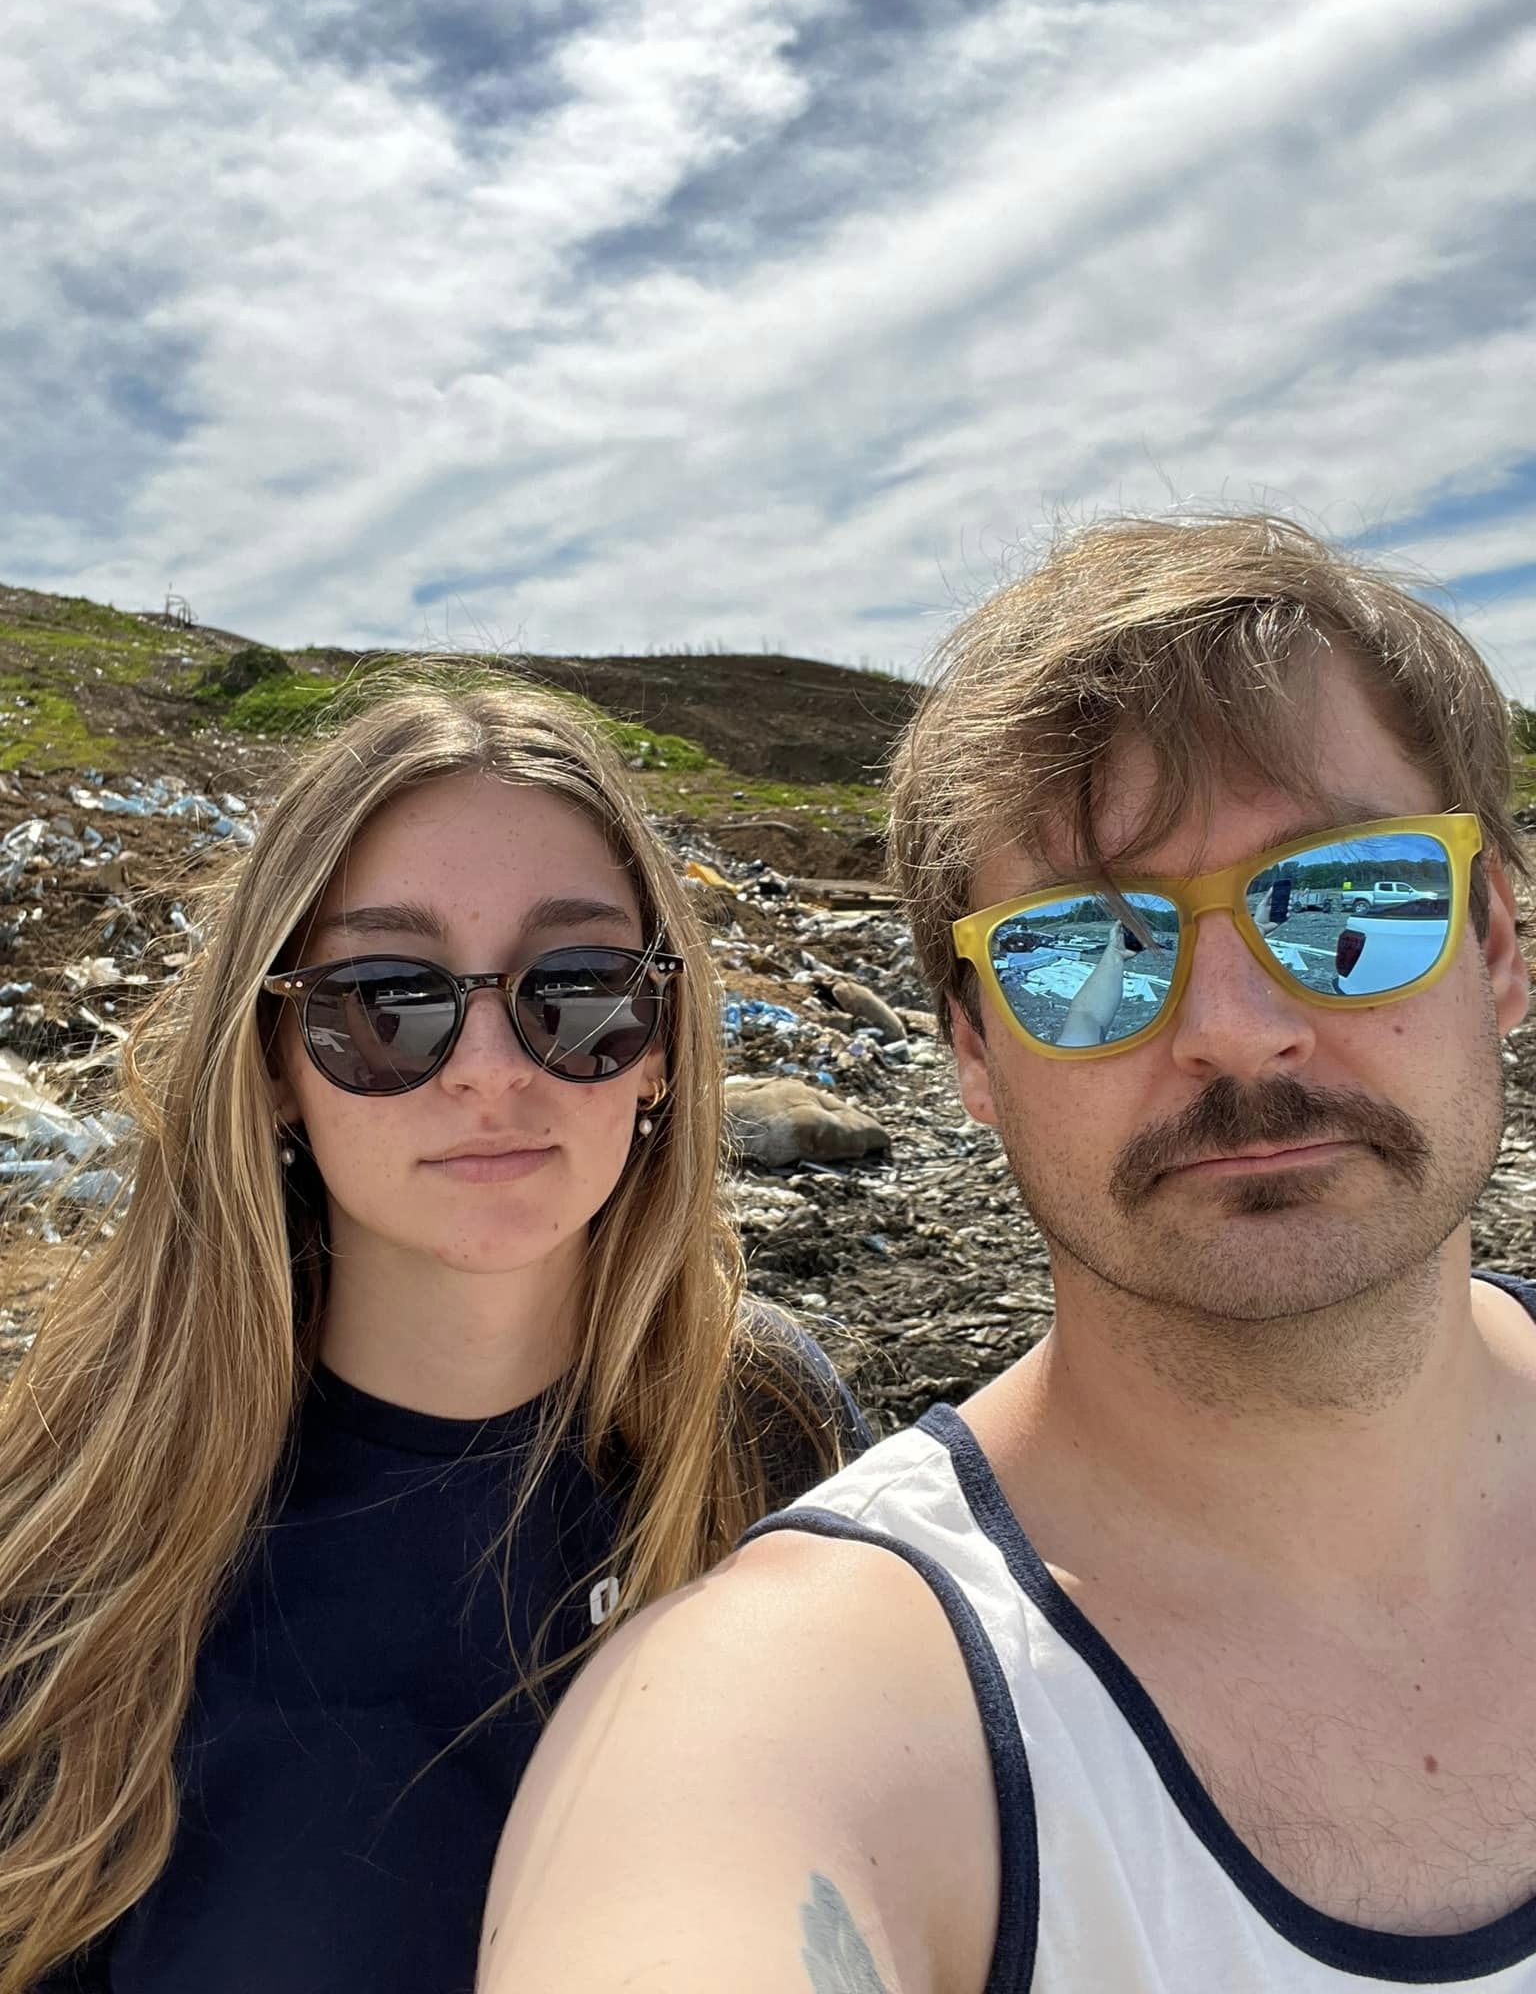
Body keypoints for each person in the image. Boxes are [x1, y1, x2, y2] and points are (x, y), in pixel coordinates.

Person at [478, 515, 1536, 1993]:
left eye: (1349, 898)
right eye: (1084, 950)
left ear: (1496, 939)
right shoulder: (803, 1709)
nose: (1232, 1025)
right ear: (972, 1048)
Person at [0, 672, 867, 1994]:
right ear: (276, 1057)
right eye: (386, 997)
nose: (487, 1067)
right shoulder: (80, 1514)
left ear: (664, 1047)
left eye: (576, 989)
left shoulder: (765, 1425)